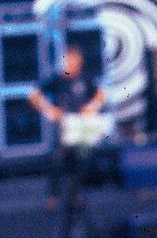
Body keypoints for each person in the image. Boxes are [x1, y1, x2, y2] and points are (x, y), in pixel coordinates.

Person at [29, 46, 108, 209]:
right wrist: (49, 110)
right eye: (68, 61)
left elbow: (101, 94)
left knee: (80, 161)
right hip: (64, 127)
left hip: (80, 127)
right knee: (57, 160)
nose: (70, 65)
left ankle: (76, 195)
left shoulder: (85, 79)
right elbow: (33, 94)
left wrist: (91, 108)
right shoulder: (58, 80)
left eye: (74, 61)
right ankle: (54, 197)